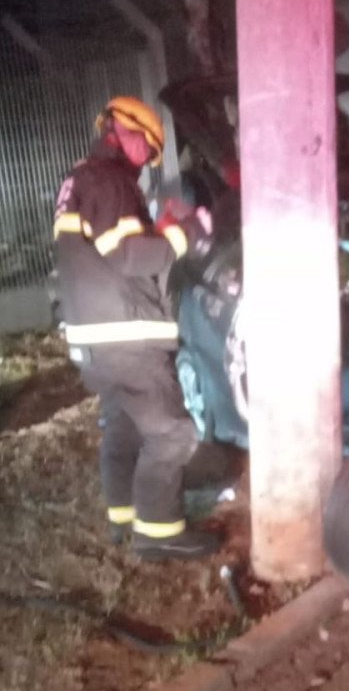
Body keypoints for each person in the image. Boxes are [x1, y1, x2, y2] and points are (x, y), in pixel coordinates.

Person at [53, 96, 220, 560]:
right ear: (124, 132)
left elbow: (107, 248)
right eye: (149, 149)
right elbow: (129, 256)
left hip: (95, 342)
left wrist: (157, 227)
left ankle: (123, 518)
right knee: (171, 433)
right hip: (124, 337)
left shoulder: (80, 180)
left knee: (124, 427)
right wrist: (189, 233)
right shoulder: (109, 181)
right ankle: (159, 534)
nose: (149, 161)